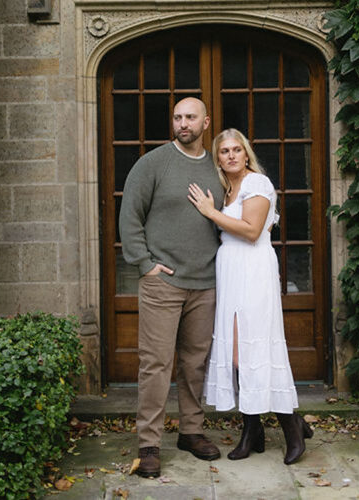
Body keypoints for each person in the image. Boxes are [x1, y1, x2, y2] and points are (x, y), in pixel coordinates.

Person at [187, 128, 311, 465]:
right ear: (218, 158)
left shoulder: (258, 184)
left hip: (254, 270)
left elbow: (252, 231)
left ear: (246, 154)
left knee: (258, 348)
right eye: (223, 151)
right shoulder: (227, 190)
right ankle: (252, 429)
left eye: (236, 150)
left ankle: (292, 428)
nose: (230, 156)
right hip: (230, 271)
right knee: (237, 356)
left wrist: (211, 213)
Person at [119, 97, 226, 478]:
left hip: (206, 282)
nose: (183, 123)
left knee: (195, 363)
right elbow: (129, 215)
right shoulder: (152, 164)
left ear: (205, 122)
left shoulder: (218, 167)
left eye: (190, 117)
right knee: (156, 364)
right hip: (163, 282)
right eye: (178, 117)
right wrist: (145, 264)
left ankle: (191, 431)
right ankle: (149, 443)